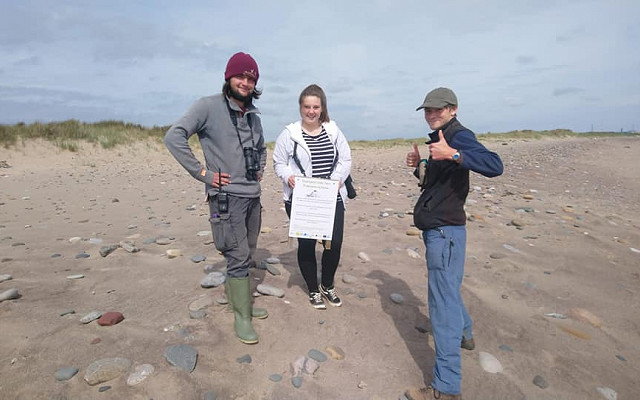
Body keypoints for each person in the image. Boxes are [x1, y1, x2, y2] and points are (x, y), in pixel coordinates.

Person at [404, 88, 503, 400]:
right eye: (427, 110)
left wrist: (455, 154)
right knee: (448, 290)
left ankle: (446, 388)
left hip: (445, 232)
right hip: (446, 230)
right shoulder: (440, 138)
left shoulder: (458, 136)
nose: (431, 114)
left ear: (452, 110)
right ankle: (466, 334)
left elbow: (494, 164)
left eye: (437, 110)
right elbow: (437, 182)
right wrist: (419, 166)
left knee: (441, 304)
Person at [164, 52, 268, 345]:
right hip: (226, 197)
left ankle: (241, 304)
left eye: (251, 78)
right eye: (240, 76)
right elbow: (174, 137)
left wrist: (259, 168)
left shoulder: (253, 114)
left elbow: (261, 147)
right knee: (236, 256)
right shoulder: (207, 106)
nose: (245, 82)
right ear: (228, 77)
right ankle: (242, 317)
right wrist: (203, 173)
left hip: (252, 196)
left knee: (247, 253)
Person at [273, 84, 352, 310]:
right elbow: (278, 162)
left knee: (333, 243)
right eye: (307, 106)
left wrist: (337, 181)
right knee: (306, 244)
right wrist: (288, 176)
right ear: (300, 107)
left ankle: (327, 285)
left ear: (322, 107)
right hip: (301, 199)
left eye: (315, 107)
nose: (311, 111)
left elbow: (345, 159)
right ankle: (313, 289)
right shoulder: (289, 134)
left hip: (332, 196)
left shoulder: (334, 131)